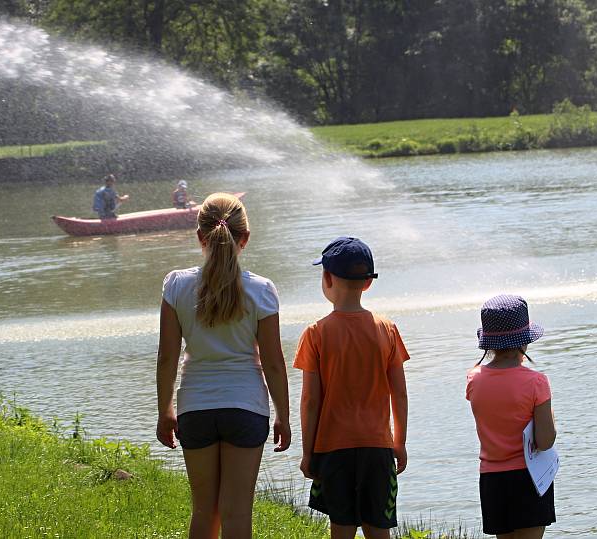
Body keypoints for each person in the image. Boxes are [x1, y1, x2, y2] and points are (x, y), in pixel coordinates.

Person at [156, 192, 291, 539]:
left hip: (195, 407)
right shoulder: (261, 290)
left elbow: (168, 357)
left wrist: (164, 411)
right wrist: (284, 417)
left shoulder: (176, 285)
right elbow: (274, 363)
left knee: (204, 511)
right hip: (246, 407)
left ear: (199, 236)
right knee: (236, 513)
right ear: (245, 238)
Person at [294, 237, 409, 539]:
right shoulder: (387, 329)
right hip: (378, 447)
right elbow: (399, 393)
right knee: (378, 529)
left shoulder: (315, 333)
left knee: (341, 529)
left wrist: (308, 452)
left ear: (327, 278)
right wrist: (400, 441)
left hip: (333, 449)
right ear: (368, 283)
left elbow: (310, 401)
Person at [465, 294, 557, 539]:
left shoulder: (474, 379)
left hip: (492, 479)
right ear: (524, 342)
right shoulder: (537, 382)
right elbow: (545, 440)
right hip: (530, 477)